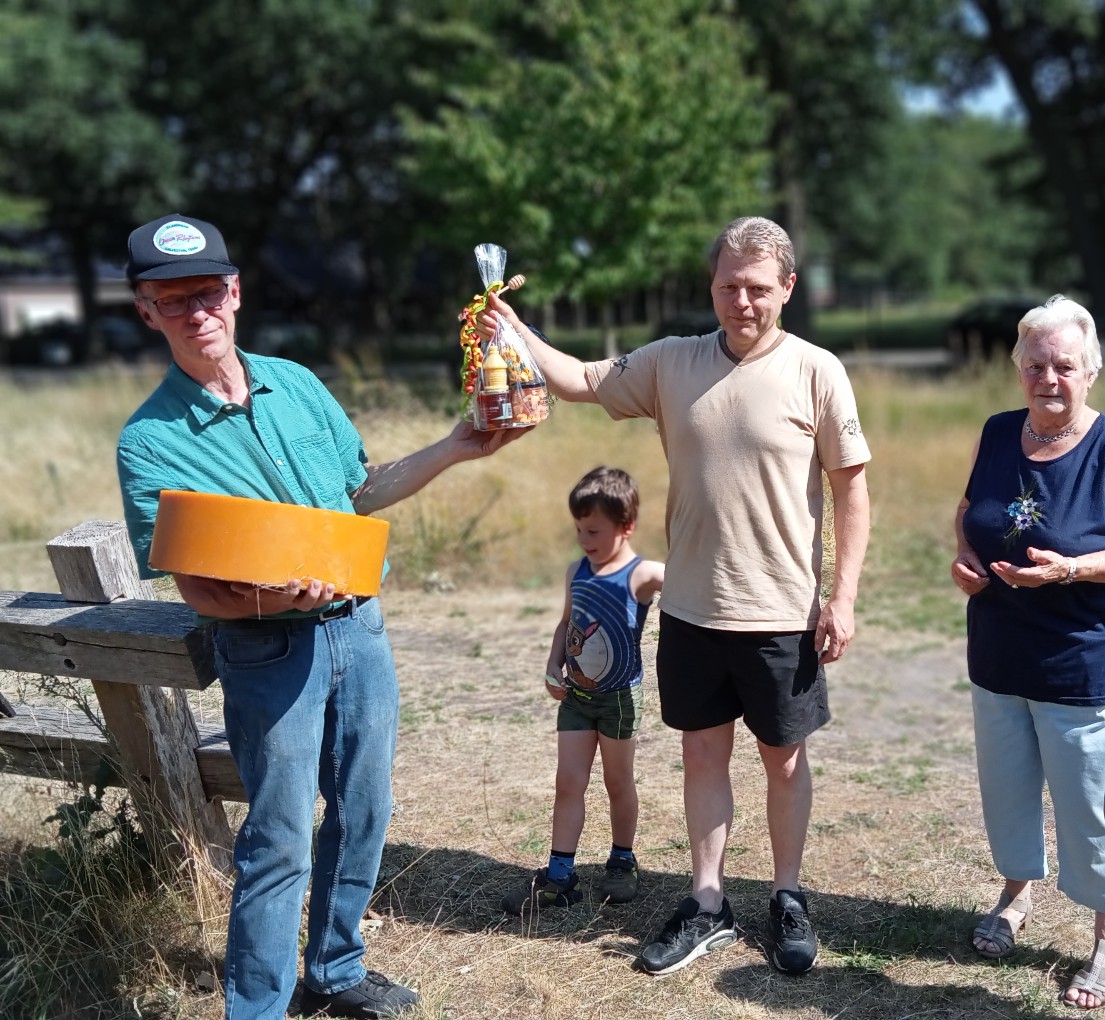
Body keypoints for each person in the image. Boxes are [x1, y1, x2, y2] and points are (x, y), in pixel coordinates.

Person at [116, 213, 526, 1020]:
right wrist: (272, 597)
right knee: (277, 839)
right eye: (172, 299)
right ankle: (257, 1008)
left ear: (234, 292)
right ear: (144, 310)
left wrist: (454, 446)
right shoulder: (149, 441)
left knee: (366, 809)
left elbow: (358, 492)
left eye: (207, 291)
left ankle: (335, 969)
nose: (196, 311)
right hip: (267, 652)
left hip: (359, 632)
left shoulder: (298, 383)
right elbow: (196, 586)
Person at [481, 216, 871, 976]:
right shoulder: (670, 363)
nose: (742, 302)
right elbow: (580, 380)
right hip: (692, 608)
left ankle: (786, 895)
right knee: (701, 756)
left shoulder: (817, 370)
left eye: (759, 288)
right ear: (712, 285)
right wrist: (511, 326)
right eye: (729, 286)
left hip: (780, 612)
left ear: (787, 288)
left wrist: (844, 596)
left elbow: (852, 490)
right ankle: (707, 899)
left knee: (783, 761)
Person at [951, 294, 1105, 1009]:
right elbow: (968, 512)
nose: (1049, 377)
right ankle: (1016, 892)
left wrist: (1070, 569)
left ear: (1091, 370)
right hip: (999, 653)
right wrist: (963, 560)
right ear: (1018, 370)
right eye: (1035, 364)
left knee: (1090, 803)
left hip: (1081, 660)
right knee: (1008, 787)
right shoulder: (997, 431)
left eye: (1064, 366)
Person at [501, 466, 664, 914]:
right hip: (576, 697)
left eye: (593, 530)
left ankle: (622, 859)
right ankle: (559, 877)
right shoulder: (577, 570)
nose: (583, 539)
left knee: (617, 781)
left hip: (619, 700)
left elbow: (690, 583)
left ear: (625, 527)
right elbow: (566, 623)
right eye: (578, 529)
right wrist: (554, 662)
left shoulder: (642, 574)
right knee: (568, 782)